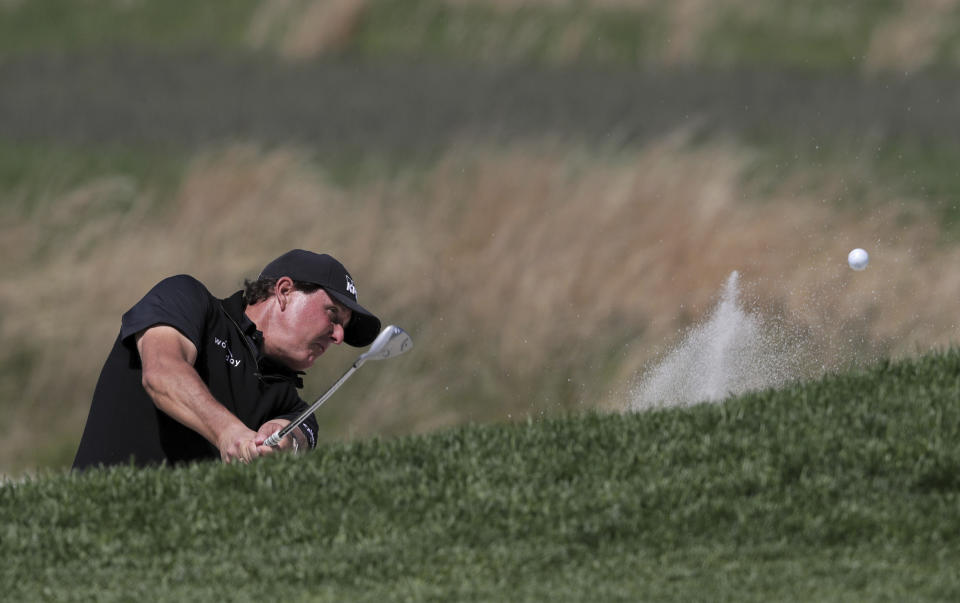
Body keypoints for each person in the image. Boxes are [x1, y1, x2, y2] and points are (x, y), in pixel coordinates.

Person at [72, 249, 381, 469]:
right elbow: (162, 373)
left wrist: (285, 443)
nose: (339, 336)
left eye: (344, 328)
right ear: (284, 290)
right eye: (332, 315)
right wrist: (228, 432)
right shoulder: (188, 301)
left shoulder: (294, 408)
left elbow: (298, 435)